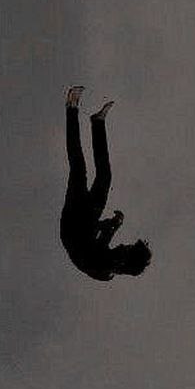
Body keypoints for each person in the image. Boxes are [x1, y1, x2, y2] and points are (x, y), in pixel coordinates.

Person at [60, 86, 152, 281]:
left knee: (78, 168)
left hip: (73, 225)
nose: (123, 245)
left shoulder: (103, 266)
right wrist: (113, 224)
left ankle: (72, 107)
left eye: (127, 248)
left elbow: (99, 241)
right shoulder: (110, 264)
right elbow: (102, 239)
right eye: (127, 246)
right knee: (105, 177)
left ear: (125, 260)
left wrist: (113, 224)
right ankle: (98, 122)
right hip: (87, 222)